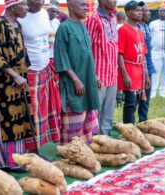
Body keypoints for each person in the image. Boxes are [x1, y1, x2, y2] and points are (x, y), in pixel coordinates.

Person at [0, 0, 32, 171]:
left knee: (18, 120)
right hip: (2, 83)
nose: (27, 7)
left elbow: (23, 53)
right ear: (13, 6)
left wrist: (23, 74)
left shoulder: (17, 25)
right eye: (24, 4)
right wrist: (15, 75)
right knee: (2, 120)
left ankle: (15, 159)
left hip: (19, 80)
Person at [54, 0, 100, 145]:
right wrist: (75, 80)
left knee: (87, 115)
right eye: (82, 5)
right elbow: (61, 58)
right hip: (73, 83)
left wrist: (95, 76)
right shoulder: (63, 28)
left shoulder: (83, 26)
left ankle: (84, 148)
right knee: (73, 116)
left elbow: (88, 55)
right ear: (71, 7)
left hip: (87, 79)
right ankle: (70, 151)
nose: (86, 8)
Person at [18, 0, 61, 151]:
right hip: (29, 71)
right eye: (36, 0)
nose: (40, 3)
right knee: (32, 113)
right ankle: (31, 150)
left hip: (44, 67)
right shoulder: (18, 14)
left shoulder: (43, 13)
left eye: (42, 0)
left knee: (43, 111)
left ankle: (38, 147)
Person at [85, 0, 118, 136]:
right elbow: (87, 49)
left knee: (108, 111)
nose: (115, 1)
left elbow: (114, 45)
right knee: (94, 112)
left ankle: (106, 139)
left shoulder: (113, 18)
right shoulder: (93, 19)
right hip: (99, 74)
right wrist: (94, 75)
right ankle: (94, 142)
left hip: (112, 73)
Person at [117, 0, 148, 124]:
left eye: (141, 11)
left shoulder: (140, 31)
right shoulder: (123, 30)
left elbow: (143, 54)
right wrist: (125, 75)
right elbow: (119, 54)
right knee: (130, 104)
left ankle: (132, 127)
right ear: (128, 13)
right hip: (129, 70)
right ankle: (128, 130)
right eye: (137, 10)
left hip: (139, 71)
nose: (140, 13)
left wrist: (145, 74)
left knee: (136, 102)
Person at [149, 7, 165, 98]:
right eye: (160, 11)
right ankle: (153, 91)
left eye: (164, 11)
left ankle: (162, 91)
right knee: (155, 71)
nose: (162, 12)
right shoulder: (152, 24)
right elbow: (149, 36)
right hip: (156, 51)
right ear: (158, 13)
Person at [137, 3, 155, 122]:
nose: (149, 13)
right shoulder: (137, 27)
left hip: (148, 64)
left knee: (146, 96)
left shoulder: (147, 26)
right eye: (146, 11)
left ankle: (143, 120)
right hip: (139, 65)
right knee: (135, 97)